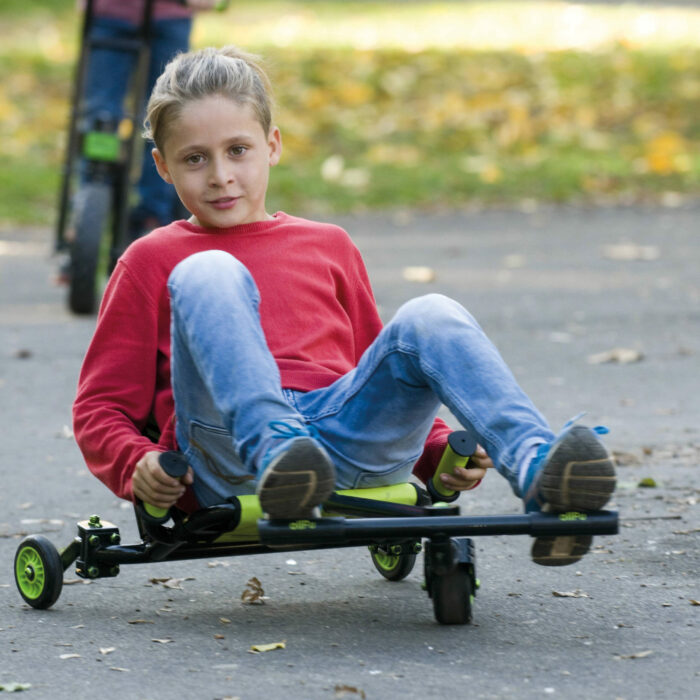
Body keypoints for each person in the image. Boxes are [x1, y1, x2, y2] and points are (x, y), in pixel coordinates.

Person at [73, 45, 616, 567]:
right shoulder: (149, 260)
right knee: (208, 270)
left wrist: (437, 452)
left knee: (430, 313)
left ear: (273, 145)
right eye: (195, 159)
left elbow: (378, 367)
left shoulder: (328, 245)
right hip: (229, 454)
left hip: (345, 442)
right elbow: (99, 408)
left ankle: (542, 472)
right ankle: (276, 453)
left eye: (237, 150)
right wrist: (136, 462)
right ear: (162, 167)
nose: (220, 175)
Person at [80, 0, 224, 237]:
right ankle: (89, 201)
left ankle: (153, 213)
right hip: (111, 13)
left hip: (169, 15)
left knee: (163, 116)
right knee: (101, 116)